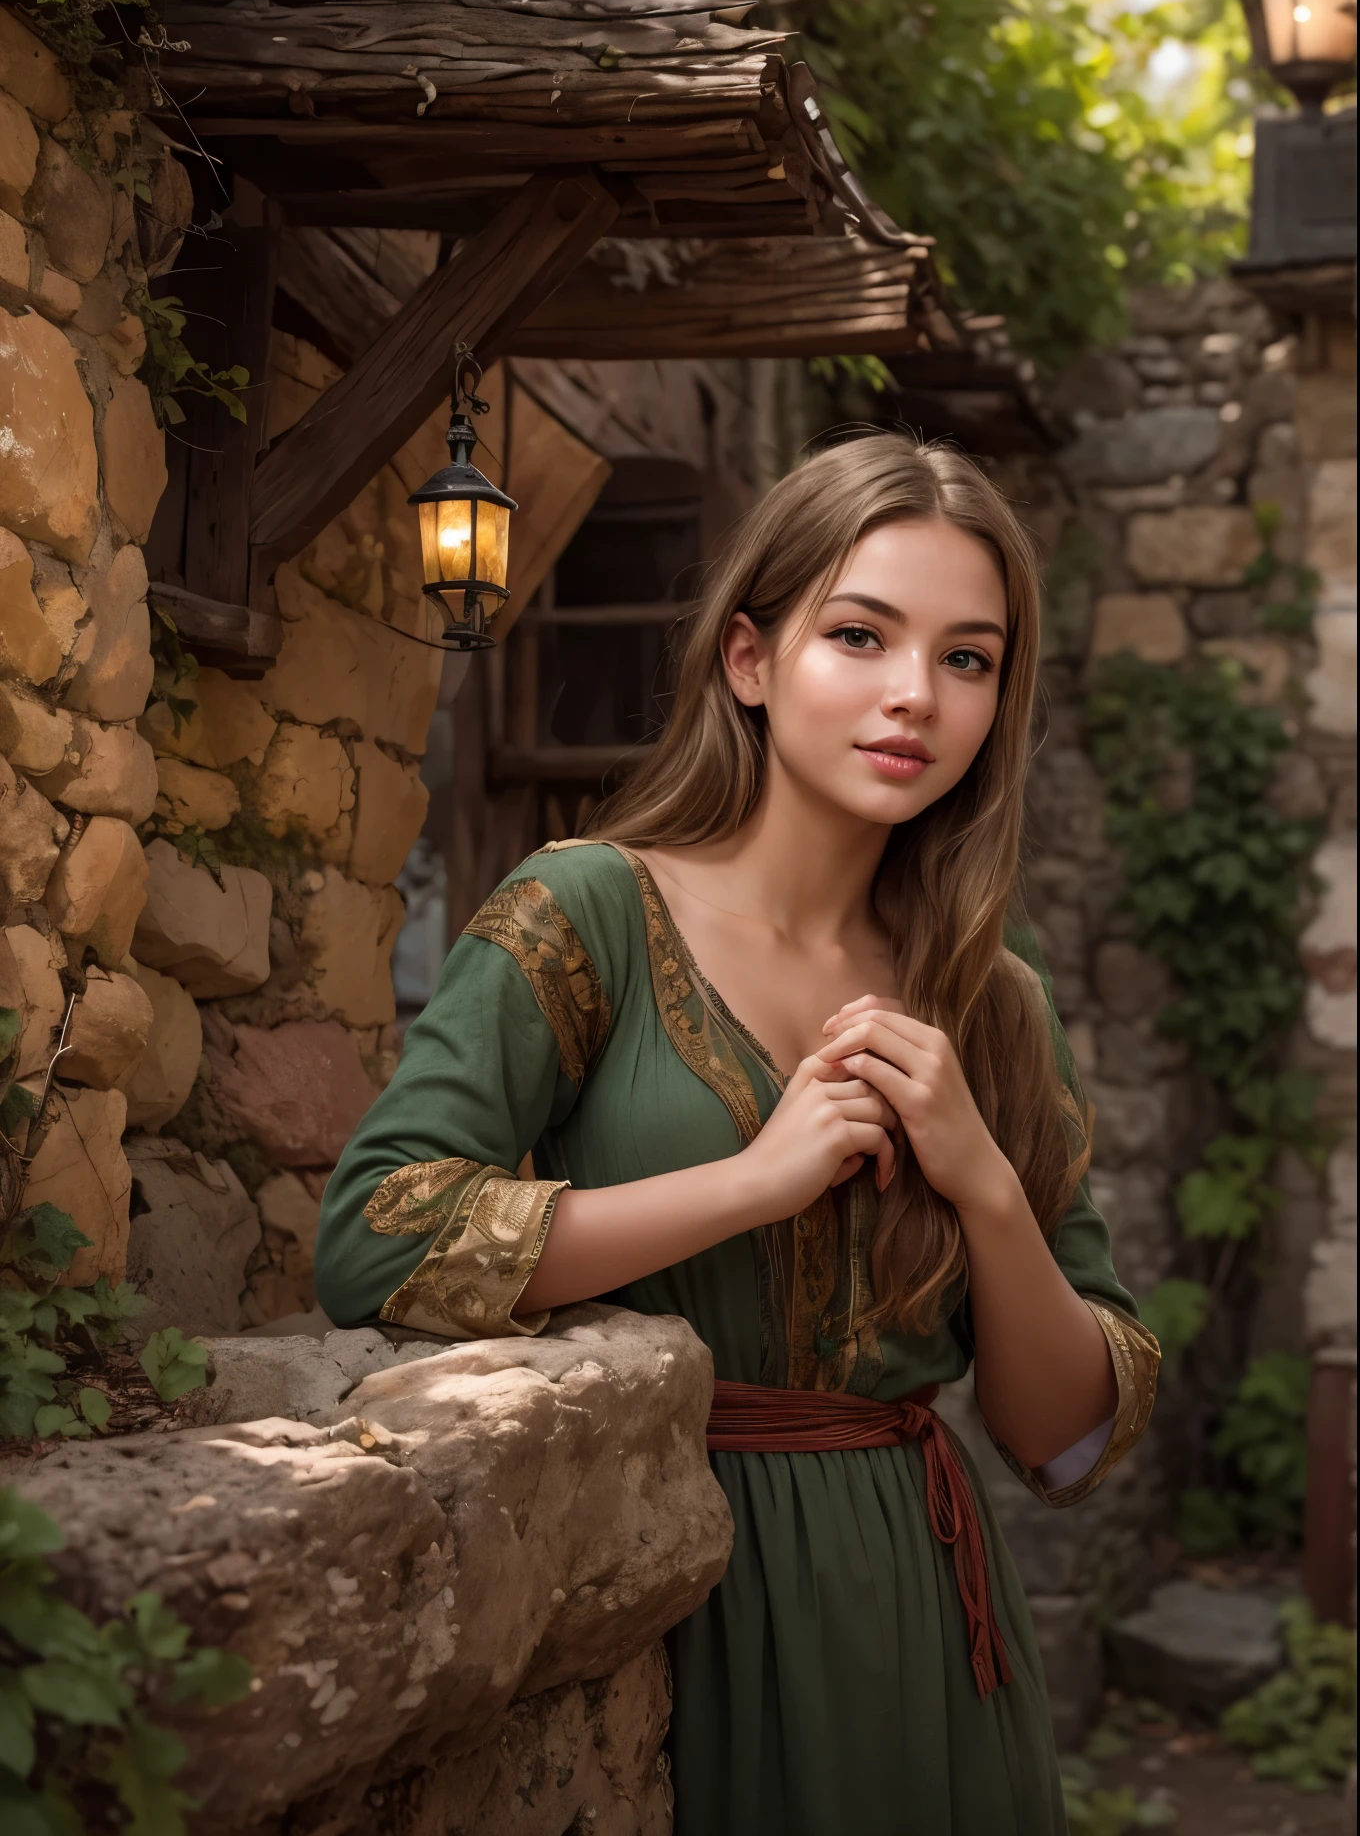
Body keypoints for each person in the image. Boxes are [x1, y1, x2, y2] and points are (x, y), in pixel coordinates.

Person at [315, 433, 1160, 1836]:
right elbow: (375, 1237)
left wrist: (987, 1186)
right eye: (861, 634)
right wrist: (752, 1181)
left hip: (926, 1620)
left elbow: (1070, 1446)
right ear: (750, 660)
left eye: (968, 658)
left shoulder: (996, 1008)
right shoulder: (586, 909)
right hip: (655, 1596)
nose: (914, 696)